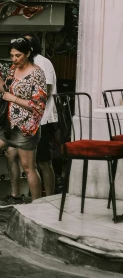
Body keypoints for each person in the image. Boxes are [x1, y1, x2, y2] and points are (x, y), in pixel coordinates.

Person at [0, 37, 47, 205]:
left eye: (18, 55)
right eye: (12, 55)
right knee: (11, 154)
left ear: (28, 53)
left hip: (27, 126)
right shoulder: (12, 69)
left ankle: (37, 207)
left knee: (29, 168)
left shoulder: (37, 73)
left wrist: (14, 98)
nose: (14, 59)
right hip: (8, 124)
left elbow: (38, 106)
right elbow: (5, 90)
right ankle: (16, 196)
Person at [25, 33, 58, 196]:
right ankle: (36, 199)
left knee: (44, 162)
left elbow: (47, 89)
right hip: (29, 121)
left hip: (43, 120)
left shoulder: (42, 63)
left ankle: (50, 198)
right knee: (32, 162)